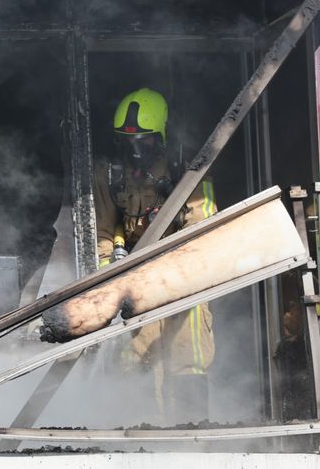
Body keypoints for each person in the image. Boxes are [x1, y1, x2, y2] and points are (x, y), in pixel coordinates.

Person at [92, 87, 217, 425]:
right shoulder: (110, 175)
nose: (135, 150)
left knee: (188, 359)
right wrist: (111, 281)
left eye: (144, 141)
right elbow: (104, 233)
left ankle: (194, 441)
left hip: (183, 284)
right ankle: (145, 444)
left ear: (162, 137)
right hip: (134, 286)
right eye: (127, 141)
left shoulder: (187, 171)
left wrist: (178, 271)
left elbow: (202, 225)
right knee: (137, 364)